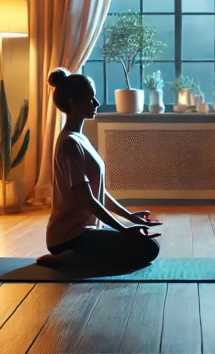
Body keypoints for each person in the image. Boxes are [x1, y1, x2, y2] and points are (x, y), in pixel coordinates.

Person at [36, 68, 162, 268]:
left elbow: (97, 192)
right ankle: (69, 258)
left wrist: (129, 216)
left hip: (88, 232)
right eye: (91, 98)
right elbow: (88, 200)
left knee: (148, 244)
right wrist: (123, 229)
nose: (97, 104)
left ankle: (80, 258)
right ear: (73, 102)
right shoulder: (69, 143)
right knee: (148, 249)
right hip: (69, 238)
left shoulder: (80, 138)